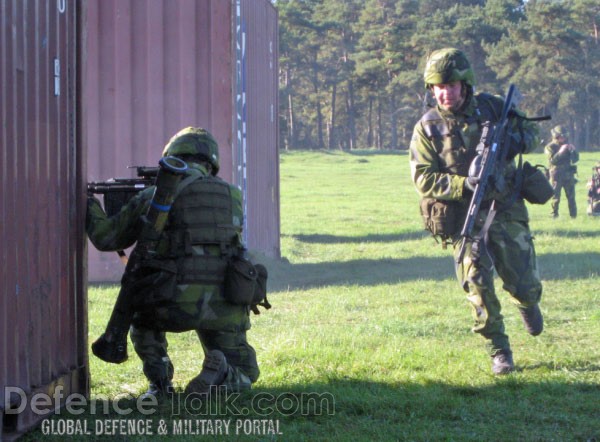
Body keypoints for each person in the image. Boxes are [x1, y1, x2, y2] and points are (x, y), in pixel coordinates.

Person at [87, 127, 259, 397]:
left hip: (170, 303)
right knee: (248, 373)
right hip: (226, 303)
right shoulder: (233, 196)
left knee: (139, 309)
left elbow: (107, 238)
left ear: (172, 157)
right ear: (212, 162)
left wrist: (89, 203)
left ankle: (160, 383)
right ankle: (225, 374)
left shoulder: (155, 197)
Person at [409, 48, 544, 375]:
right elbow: (422, 178)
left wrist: (513, 141)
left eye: (452, 85)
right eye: (438, 87)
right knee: (476, 283)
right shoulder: (427, 128)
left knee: (523, 280)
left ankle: (527, 301)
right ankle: (500, 350)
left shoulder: (494, 107)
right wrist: (462, 185)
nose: (445, 92)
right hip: (463, 215)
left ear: (465, 84)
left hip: (505, 207)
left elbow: (532, 134)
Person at [544, 125, 579, 218]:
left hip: (568, 175)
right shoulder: (550, 147)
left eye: (564, 136)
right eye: (561, 136)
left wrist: (573, 151)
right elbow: (552, 161)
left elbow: (575, 159)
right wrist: (561, 152)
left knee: (571, 197)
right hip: (556, 176)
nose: (563, 138)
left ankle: (573, 216)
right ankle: (554, 215)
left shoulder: (568, 145)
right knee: (555, 197)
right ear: (556, 136)